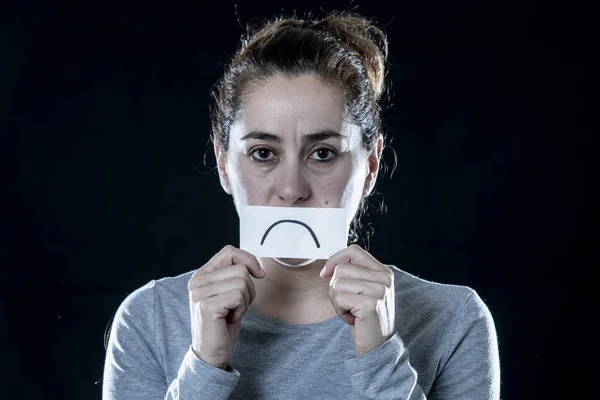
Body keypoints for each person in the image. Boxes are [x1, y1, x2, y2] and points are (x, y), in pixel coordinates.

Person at [102, 11, 500, 400]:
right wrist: (204, 367)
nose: (291, 189)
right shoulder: (150, 319)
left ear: (371, 166)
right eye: (262, 153)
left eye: (323, 153)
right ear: (225, 166)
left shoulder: (452, 320)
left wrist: (381, 360)